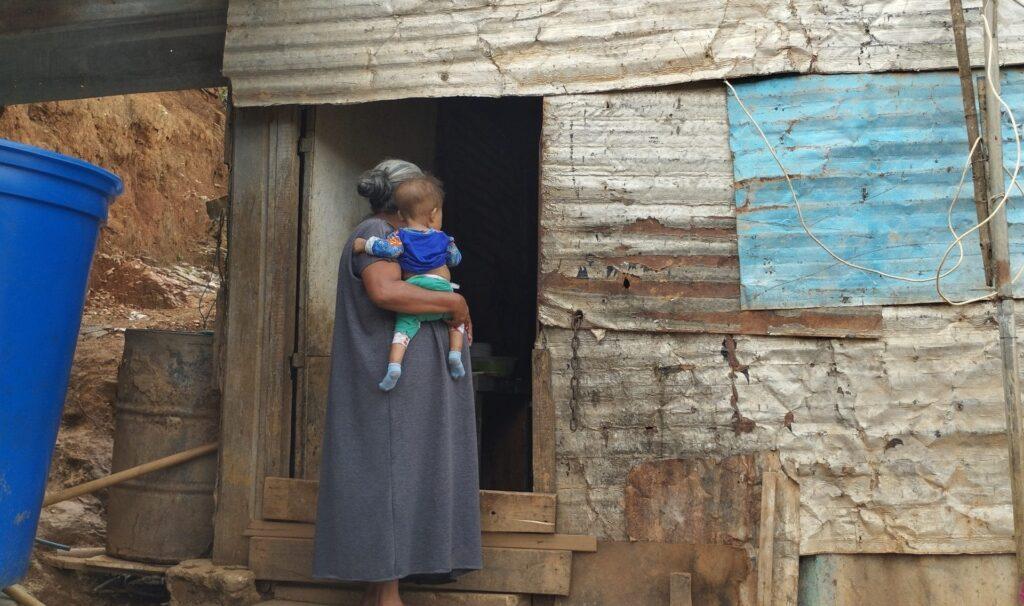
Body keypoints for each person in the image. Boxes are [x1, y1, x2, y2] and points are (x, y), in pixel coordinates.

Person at [313, 159, 483, 606]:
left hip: (412, 381)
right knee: (388, 471)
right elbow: (385, 293)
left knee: (402, 470)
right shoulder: (377, 236)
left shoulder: (404, 238)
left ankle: (380, 592)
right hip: (389, 381)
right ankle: (387, 597)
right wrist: (456, 305)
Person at [353, 175, 466, 391]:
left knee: (403, 331)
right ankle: (455, 354)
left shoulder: (399, 237)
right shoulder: (444, 238)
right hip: (441, 289)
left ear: (401, 215)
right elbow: (455, 259)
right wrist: (455, 301)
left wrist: (366, 245)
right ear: (433, 213)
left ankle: (394, 366)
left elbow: (390, 251)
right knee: (457, 323)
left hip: (416, 284)